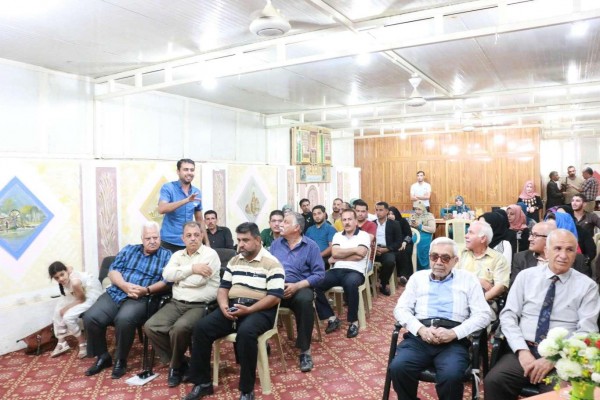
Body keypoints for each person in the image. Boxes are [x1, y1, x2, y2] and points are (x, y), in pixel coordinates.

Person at [484, 229, 600, 400]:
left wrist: (553, 359)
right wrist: (522, 351)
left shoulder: (587, 286)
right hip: (525, 348)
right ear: (546, 250)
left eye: (569, 250)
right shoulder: (526, 277)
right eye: (557, 248)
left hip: (563, 357)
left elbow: (587, 331)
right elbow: (508, 316)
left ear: (575, 254)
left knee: (559, 395)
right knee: (495, 381)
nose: (563, 255)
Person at [182, 222, 285, 400]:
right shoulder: (234, 260)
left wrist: (250, 309)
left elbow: (274, 297)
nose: (241, 244)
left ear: (258, 240)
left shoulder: (272, 263)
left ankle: (246, 390)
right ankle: (203, 383)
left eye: (245, 240)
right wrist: (223, 305)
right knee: (201, 328)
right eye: (239, 240)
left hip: (260, 309)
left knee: (246, 333)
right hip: (233, 307)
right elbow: (223, 288)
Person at [390, 237, 492, 400]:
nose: (438, 262)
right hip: (420, 337)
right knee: (398, 368)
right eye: (434, 256)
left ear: (455, 261)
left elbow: (484, 314)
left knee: (451, 376)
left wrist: (454, 333)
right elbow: (401, 309)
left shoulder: (468, 279)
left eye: (445, 258)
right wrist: (420, 329)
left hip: (453, 340)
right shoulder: (417, 278)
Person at [83, 221, 172, 379]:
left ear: (160, 237)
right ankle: (103, 356)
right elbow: (113, 271)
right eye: (148, 238)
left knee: (124, 319)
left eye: (155, 237)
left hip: (142, 297)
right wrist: (124, 285)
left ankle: (121, 360)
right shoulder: (129, 249)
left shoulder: (167, 256)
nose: (152, 241)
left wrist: (146, 290)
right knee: (90, 317)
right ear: (142, 238)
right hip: (117, 291)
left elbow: (167, 281)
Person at [144, 222, 221, 387]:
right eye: (189, 235)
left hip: (201, 305)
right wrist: (192, 268)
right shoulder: (177, 255)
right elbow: (167, 275)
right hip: (176, 302)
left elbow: (199, 281)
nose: (193, 238)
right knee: (151, 326)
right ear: (183, 238)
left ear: (202, 236)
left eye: (196, 235)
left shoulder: (210, 254)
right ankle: (183, 362)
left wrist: (178, 279)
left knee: (179, 329)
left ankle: (174, 368)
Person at [269, 212, 325, 372]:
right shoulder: (276, 245)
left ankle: (305, 351)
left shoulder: (311, 246)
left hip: (300, 287)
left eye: (285, 222)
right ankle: (261, 342)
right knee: (256, 297)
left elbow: (319, 275)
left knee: (305, 301)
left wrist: (297, 286)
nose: (281, 225)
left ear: (297, 228)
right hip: (277, 287)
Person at [315, 209, 370, 338]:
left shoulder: (363, 235)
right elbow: (335, 253)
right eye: (344, 220)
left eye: (350, 219)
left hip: (356, 271)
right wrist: (354, 250)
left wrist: (340, 256)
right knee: (315, 283)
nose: (347, 222)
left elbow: (361, 254)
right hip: (336, 270)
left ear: (355, 221)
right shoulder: (337, 235)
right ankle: (331, 318)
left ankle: (353, 322)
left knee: (350, 283)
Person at [48, 261, 102, 358]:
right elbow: (69, 267)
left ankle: (83, 344)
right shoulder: (67, 270)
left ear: (66, 271)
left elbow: (82, 299)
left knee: (67, 317)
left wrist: (66, 308)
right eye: (56, 277)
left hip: (89, 294)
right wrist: (63, 309)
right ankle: (61, 341)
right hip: (78, 293)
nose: (60, 279)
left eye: (62, 275)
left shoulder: (75, 282)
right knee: (57, 311)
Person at [510, 222, 590, 285]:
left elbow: (584, 286)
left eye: (535, 235)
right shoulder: (521, 258)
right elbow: (515, 288)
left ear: (549, 238)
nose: (529, 238)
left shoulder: (577, 259)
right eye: (531, 234)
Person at [158, 159, 206, 252]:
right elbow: (161, 209)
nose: (189, 172)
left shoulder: (196, 192)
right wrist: (186, 200)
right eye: (186, 169)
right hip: (168, 241)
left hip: (188, 242)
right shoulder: (168, 187)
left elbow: (199, 220)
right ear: (178, 171)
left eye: (192, 170)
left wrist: (206, 242)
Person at [456, 220, 509, 302]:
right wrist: (478, 281)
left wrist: (478, 301)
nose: (466, 236)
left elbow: (500, 287)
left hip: (485, 302)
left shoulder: (498, 258)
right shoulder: (460, 253)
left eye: (471, 233)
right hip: (459, 299)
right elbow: (452, 277)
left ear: (483, 238)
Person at [374, 201, 403, 296]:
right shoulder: (372, 224)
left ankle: (382, 283)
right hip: (373, 250)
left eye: (381, 210)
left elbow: (398, 242)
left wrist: (386, 249)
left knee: (390, 262)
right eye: (377, 210)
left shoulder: (394, 224)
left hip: (387, 250)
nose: (378, 212)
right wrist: (374, 249)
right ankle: (368, 284)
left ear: (387, 211)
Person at [388, 206, 414, 286]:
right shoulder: (386, 223)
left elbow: (409, 234)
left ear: (396, 214)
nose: (390, 216)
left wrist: (404, 242)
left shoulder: (402, 221)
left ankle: (404, 276)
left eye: (392, 214)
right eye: (388, 214)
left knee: (404, 251)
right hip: (394, 244)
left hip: (405, 242)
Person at [305, 205, 337, 269]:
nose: (317, 216)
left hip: (324, 258)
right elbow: (305, 245)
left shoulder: (330, 229)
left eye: (319, 213)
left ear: (324, 214)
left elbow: (331, 247)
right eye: (314, 214)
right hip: (309, 257)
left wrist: (318, 256)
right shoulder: (309, 229)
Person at [409, 201, 436, 271]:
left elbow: (433, 229)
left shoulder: (429, 216)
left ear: (423, 209)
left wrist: (420, 226)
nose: (417, 211)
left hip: (425, 235)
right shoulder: (413, 216)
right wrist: (412, 225)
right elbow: (409, 227)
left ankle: (425, 269)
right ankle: (414, 269)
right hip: (415, 234)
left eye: (419, 209)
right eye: (415, 209)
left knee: (421, 248)